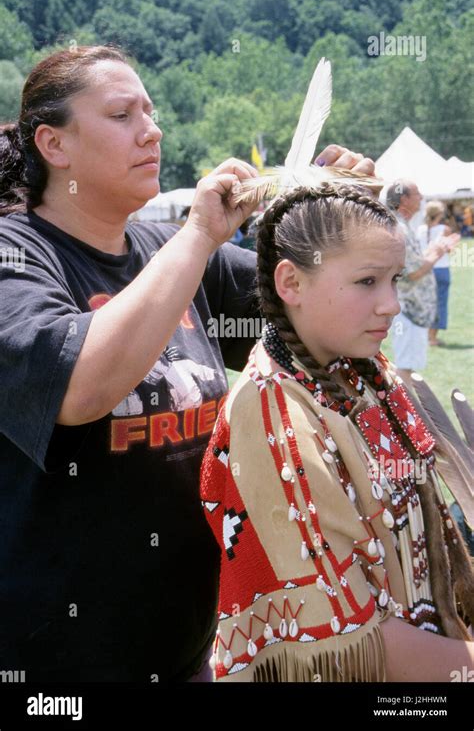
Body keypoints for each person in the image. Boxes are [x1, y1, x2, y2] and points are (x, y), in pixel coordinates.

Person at [0, 43, 375, 683]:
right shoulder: (17, 256)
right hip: (52, 666)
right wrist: (200, 235)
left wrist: (337, 222)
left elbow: (322, 328)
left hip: (187, 649)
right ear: (53, 146)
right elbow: (79, 386)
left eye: (150, 110)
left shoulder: (165, 250)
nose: (152, 129)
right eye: (122, 115)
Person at [200, 183, 474, 682]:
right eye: (368, 281)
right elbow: (354, 641)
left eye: (394, 279)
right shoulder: (273, 412)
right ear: (292, 283)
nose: (391, 304)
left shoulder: (360, 372)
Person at [385, 181, 458, 384]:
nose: (422, 197)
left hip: (412, 310)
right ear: (404, 199)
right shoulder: (400, 229)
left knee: (408, 365)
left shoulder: (403, 225)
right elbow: (414, 272)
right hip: (409, 310)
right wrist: (438, 253)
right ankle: (405, 412)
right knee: (405, 368)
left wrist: (435, 249)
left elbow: (414, 261)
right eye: (417, 194)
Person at [417, 201, 459, 346]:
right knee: (439, 304)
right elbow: (448, 250)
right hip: (441, 269)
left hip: (424, 269)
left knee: (425, 303)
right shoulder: (445, 229)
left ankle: (423, 337)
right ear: (440, 214)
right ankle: (432, 338)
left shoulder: (420, 229)